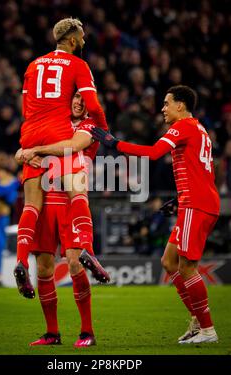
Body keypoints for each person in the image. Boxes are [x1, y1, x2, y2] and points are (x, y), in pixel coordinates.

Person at [92, 85, 220, 344]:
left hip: (197, 203)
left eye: (166, 103)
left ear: (180, 106)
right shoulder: (199, 129)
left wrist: (115, 143)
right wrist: (180, 198)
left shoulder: (183, 126)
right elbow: (200, 169)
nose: (162, 108)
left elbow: (152, 153)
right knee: (169, 262)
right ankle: (197, 322)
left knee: (187, 267)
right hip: (194, 200)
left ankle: (207, 329)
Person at [15, 17, 108, 298]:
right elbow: (92, 105)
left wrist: (28, 148)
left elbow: (25, 108)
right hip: (57, 134)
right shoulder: (78, 65)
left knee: (30, 206)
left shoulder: (33, 65)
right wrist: (103, 126)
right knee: (78, 193)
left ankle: (20, 261)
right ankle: (88, 251)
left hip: (31, 134)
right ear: (71, 40)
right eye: (81, 36)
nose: (84, 41)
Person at [16, 93, 102, 347]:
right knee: (44, 269)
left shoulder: (88, 126)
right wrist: (24, 153)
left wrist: (36, 151)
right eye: (75, 97)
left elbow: (72, 146)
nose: (78, 103)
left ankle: (87, 332)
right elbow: (20, 152)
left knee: (74, 264)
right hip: (45, 201)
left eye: (83, 99)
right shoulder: (54, 121)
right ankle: (52, 333)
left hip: (69, 201)